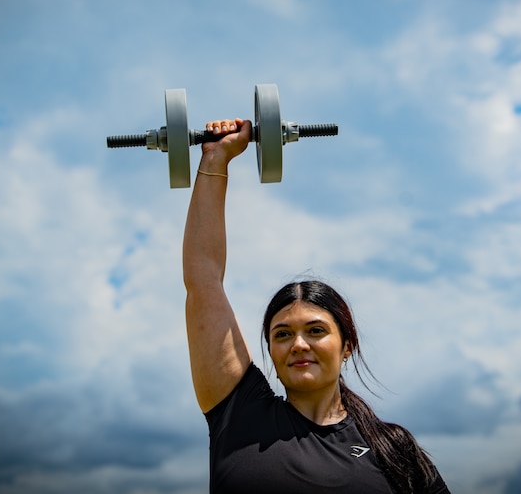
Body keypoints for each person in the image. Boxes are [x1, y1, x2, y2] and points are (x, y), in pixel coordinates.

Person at [183, 117, 451, 494]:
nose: (299, 344)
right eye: (282, 334)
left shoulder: (393, 449)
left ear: (347, 346)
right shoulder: (239, 414)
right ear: (271, 351)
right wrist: (215, 159)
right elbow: (203, 280)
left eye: (316, 330)